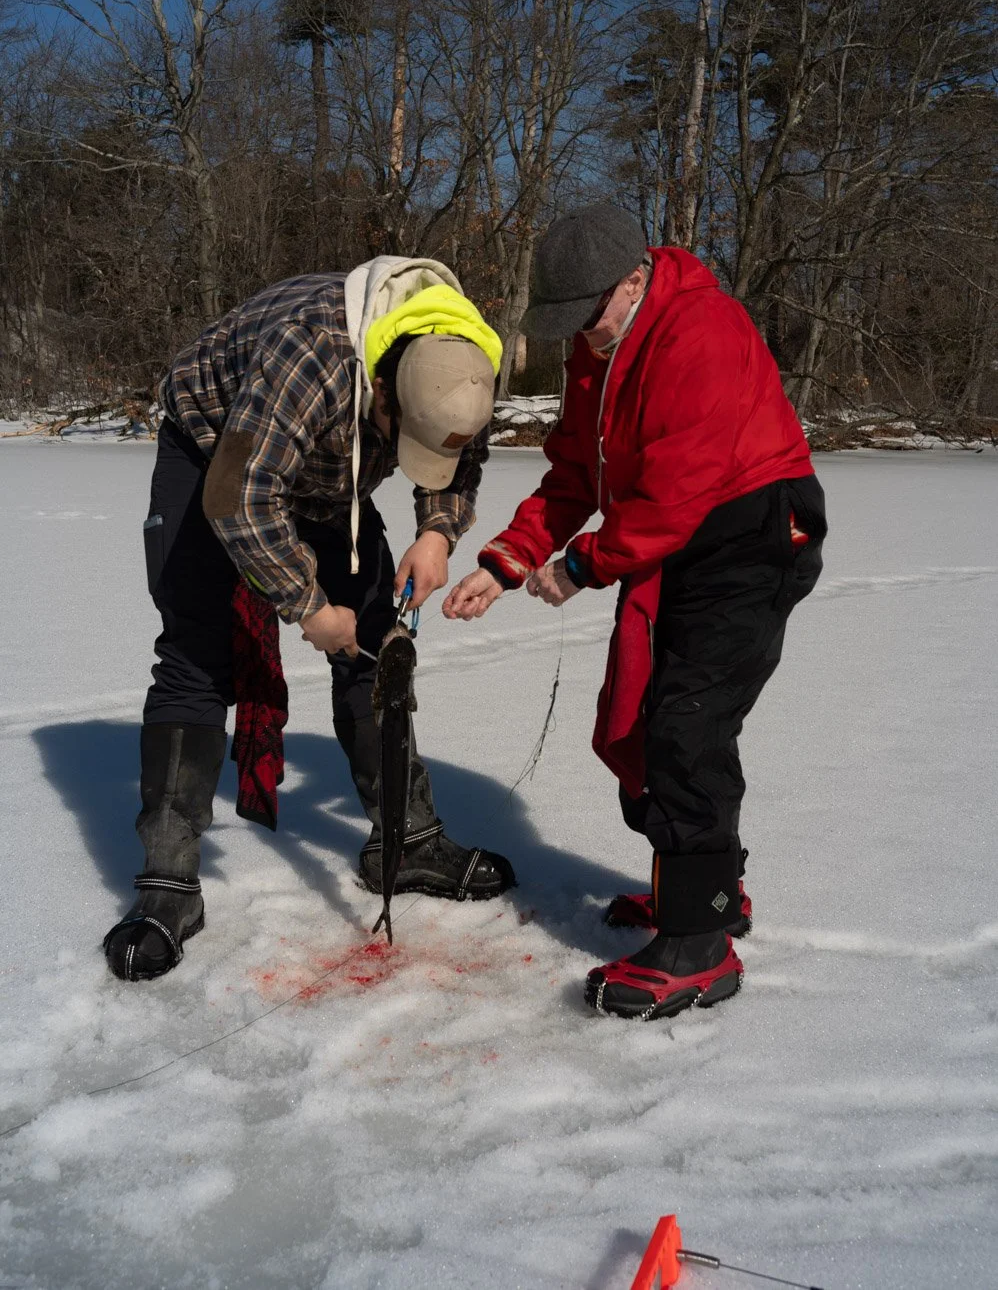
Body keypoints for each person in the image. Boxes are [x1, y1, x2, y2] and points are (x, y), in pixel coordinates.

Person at [444, 204, 826, 1021]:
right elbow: (576, 474)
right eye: (567, 320)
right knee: (654, 716)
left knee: (688, 726)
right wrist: (506, 562)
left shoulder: (702, 330)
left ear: (634, 279)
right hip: (676, 540)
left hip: (755, 532)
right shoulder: (599, 350)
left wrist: (583, 565)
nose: (581, 334)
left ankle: (701, 941)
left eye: (589, 314)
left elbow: (674, 487)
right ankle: (704, 889)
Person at [105, 257, 515, 983]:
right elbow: (239, 495)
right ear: (382, 388)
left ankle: (405, 842)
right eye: (402, 437)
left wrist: (437, 532)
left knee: (378, 643)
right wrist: (308, 605)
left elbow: (460, 452)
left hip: (330, 472)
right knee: (198, 655)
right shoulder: (312, 351)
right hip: (217, 452)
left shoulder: (462, 357)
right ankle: (168, 883)